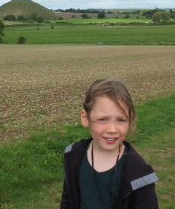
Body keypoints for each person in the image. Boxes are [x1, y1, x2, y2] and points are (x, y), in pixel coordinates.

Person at [60, 79, 159, 209]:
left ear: (130, 120)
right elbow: (67, 200)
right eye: (103, 119)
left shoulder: (138, 171)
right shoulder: (73, 155)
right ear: (86, 118)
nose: (112, 129)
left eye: (121, 120)